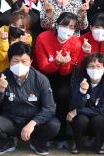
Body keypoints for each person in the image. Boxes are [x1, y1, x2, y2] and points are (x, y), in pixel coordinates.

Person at [0, 42, 61, 156]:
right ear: (9, 62)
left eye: (24, 61)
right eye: (16, 61)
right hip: (11, 120)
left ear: (31, 61)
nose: (19, 64)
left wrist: (33, 123)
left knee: (54, 125)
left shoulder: (41, 79)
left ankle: (38, 143)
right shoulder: (2, 76)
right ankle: (8, 143)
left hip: (34, 122)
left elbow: (50, 108)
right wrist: (0, 89)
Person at [34, 12, 83, 147]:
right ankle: (41, 134)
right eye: (64, 25)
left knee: (63, 95)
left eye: (72, 27)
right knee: (45, 97)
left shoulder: (76, 43)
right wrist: (56, 63)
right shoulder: (43, 38)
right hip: (44, 74)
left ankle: (61, 136)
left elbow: (66, 72)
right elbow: (43, 67)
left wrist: (64, 64)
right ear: (57, 25)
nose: (67, 30)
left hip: (63, 76)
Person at [0, 11, 33, 138]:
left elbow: (21, 57)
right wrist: (5, 41)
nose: (17, 28)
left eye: (21, 26)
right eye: (14, 25)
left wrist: (22, 44)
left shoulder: (27, 37)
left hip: (16, 79)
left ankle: (9, 136)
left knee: (9, 108)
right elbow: (0, 57)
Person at [67, 53, 104, 154]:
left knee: (99, 119)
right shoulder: (79, 80)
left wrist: (78, 111)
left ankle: (100, 143)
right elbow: (74, 105)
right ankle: (77, 143)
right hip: (82, 119)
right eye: (91, 66)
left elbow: (102, 110)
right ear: (86, 68)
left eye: (98, 66)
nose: (95, 69)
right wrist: (82, 92)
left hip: (101, 119)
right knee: (80, 119)